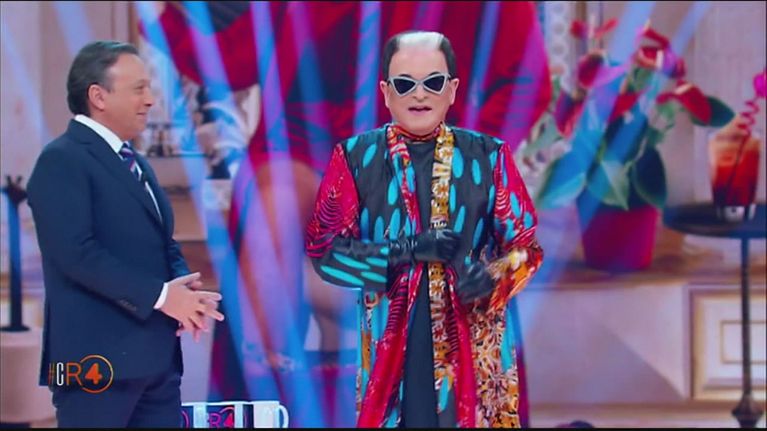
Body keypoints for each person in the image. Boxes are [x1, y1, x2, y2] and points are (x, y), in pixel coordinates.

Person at [305, 31, 544, 428]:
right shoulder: (355, 157)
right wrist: (406, 250)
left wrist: (493, 278)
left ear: (452, 90)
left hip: (471, 347)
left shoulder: (489, 156)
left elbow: (526, 248)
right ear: (385, 92)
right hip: (391, 345)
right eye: (405, 84)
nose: (419, 94)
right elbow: (325, 252)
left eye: (433, 82)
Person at [26, 40, 225, 428]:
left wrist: (185, 294)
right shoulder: (61, 160)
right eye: (138, 88)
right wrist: (163, 296)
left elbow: (162, 241)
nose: (150, 100)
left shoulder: (134, 161)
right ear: (98, 96)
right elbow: (76, 254)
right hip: (96, 367)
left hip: (156, 364)